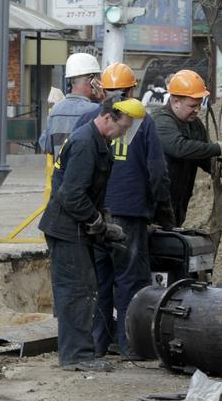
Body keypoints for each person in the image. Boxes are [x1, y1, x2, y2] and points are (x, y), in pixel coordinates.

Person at [39, 95, 146, 372]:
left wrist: (102, 221)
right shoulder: (87, 144)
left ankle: (80, 352)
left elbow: (86, 192)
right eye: (123, 126)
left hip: (73, 228)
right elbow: (71, 195)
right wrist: (98, 222)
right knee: (76, 291)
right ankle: (76, 356)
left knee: (85, 288)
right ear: (108, 117)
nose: (124, 132)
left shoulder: (98, 141)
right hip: (66, 229)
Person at [74, 63, 174, 358]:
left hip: (95, 214)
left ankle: (98, 345)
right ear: (133, 91)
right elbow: (157, 172)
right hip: (130, 213)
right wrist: (162, 210)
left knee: (100, 282)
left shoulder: (87, 118)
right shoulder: (144, 121)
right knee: (130, 281)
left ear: (102, 90)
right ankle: (130, 345)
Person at [152, 69, 222, 227]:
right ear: (176, 101)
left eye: (199, 105)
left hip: (179, 201)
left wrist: (220, 165)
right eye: (192, 105)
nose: (197, 110)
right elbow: (181, 148)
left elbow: (203, 156)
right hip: (155, 203)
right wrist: (220, 148)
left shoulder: (195, 125)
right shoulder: (160, 121)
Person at [38, 53, 104, 160]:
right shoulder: (95, 110)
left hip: (61, 175)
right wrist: (103, 101)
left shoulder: (55, 110)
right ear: (91, 80)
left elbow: (46, 146)